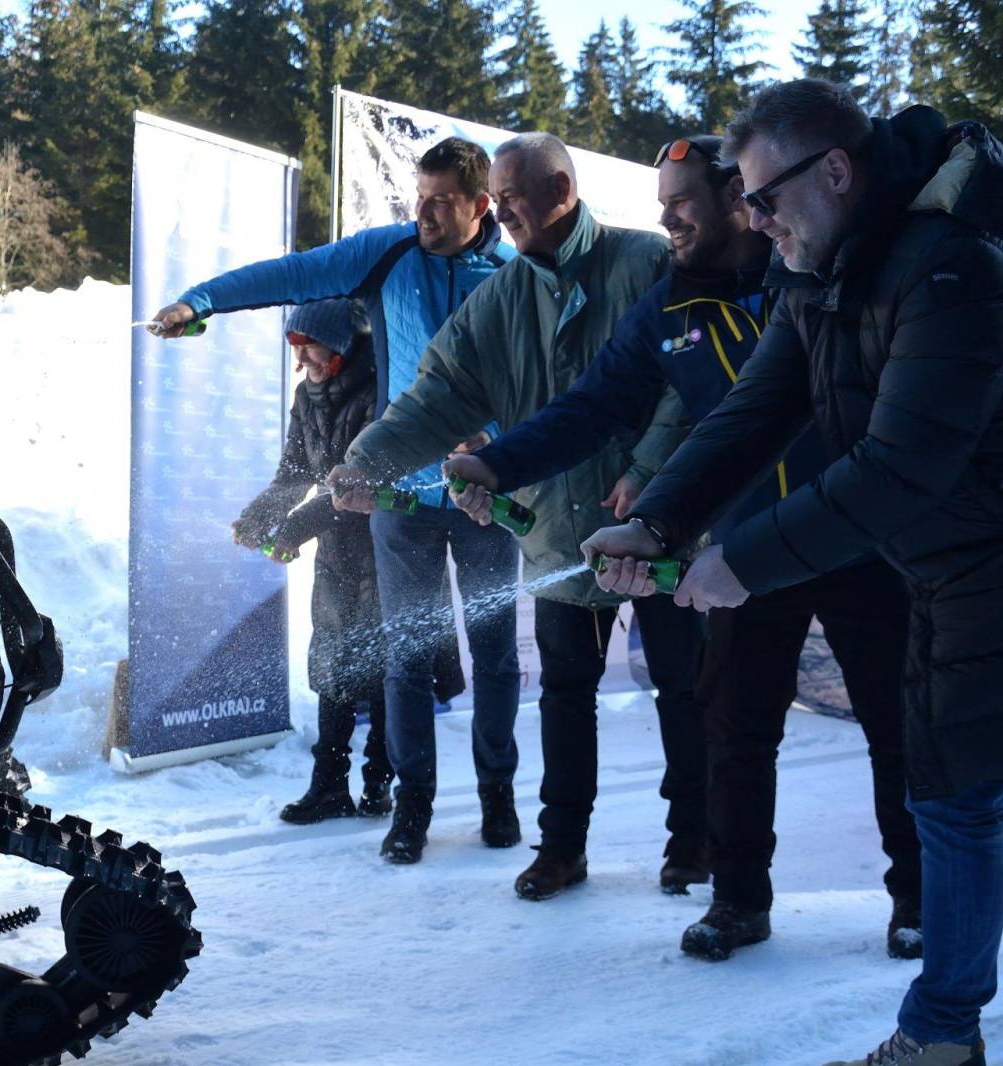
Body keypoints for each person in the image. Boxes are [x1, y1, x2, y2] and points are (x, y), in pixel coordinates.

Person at [583, 80, 1003, 1066]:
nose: (752, 219)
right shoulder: (828, 264)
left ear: (834, 170)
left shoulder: (957, 267)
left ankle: (943, 1035)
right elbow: (755, 406)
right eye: (743, 201)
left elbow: (900, 469)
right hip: (997, 560)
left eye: (765, 197)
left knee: (950, 791)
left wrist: (743, 560)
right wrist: (661, 521)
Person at [445, 134, 923, 955]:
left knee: (894, 724)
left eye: (681, 204)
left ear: (740, 198)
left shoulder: (808, 282)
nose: (665, 219)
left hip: (853, 540)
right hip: (744, 552)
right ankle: (738, 900)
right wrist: (495, 460)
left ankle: (917, 898)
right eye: (661, 205)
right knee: (735, 728)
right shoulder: (670, 305)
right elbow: (591, 405)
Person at [330, 133, 701, 888]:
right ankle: (561, 847)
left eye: (509, 197)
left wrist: (647, 473)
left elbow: (690, 380)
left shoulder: (645, 265)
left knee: (684, 690)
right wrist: (368, 458)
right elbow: (439, 393)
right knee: (565, 700)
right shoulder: (501, 296)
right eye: (493, 200)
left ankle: (692, 841)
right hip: (560, 533)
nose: (498, 213)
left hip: (661, 528)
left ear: (560, 190)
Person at [150, 138, 525, 858]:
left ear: (481, 205)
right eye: (419, 197)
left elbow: (552, 380)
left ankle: (497, 797)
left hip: (486, 498)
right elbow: (292, 273)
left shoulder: (514, 274)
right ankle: (410, 808)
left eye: (442, 200)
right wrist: (198, 300)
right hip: (401, 501)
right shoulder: (388, 255)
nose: (425, 213)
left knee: (495, 653)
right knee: (406, 658)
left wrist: (501, 445)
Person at [231, 301, 394, 822]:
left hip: (390, 546)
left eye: (310, 347)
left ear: (343, 344)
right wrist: (260, 518)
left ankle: (380, 785)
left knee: (387, 670)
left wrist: (297, 528)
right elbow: (294, 475)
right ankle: (328, 787)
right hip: (339, 552)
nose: (301, 361)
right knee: (334, 670)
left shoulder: (382, 390)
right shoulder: (307, 396)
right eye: (294, 349)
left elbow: (362, 486)